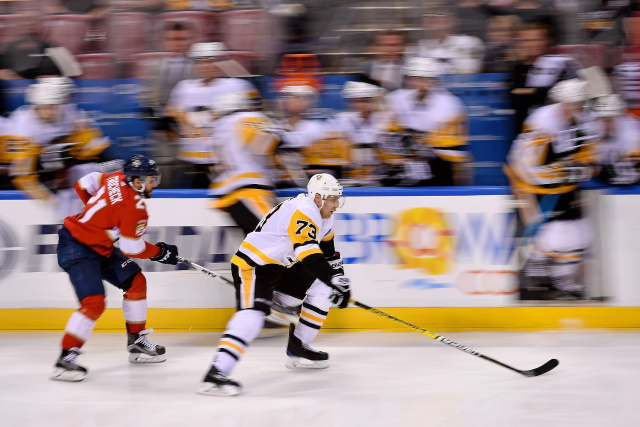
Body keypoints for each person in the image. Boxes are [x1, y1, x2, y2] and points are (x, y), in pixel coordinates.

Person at [197, 173, 351, 396]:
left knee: (323, 285)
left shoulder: (326, 215)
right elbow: (308, 253)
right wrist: (334, 279)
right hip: (253, 266)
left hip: (279, 266)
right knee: (252, 316)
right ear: (318, 197)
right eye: (333, 199)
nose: (337, 205)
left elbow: (328, 252)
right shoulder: (304, 210)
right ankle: (215, 374)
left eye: (338, 199)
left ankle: (298, 346)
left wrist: (340, 280)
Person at [51, 154, 181, 382]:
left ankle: (137, 343)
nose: (155, 185)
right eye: (151, 180)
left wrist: (97, 218)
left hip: (99, 246)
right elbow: (133, 248)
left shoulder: (116, 178)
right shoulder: (136, 208)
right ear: (137, 181)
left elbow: (83, 183)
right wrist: (160, 252)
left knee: (136, 282)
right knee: (93, 303)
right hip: (77, 247)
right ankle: (66, 358)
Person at [504, 79, 601, 300]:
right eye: (571, 103)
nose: (575, 108)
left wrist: (581, 170)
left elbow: (588, 157)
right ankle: (535, 279)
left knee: (577, 232)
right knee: (548, 237)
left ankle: (563, 281)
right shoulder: (542, 123)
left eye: (579, 103)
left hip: (560, 185)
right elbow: (523, 166)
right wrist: (560, 173)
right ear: (560, 102)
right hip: (530, 186)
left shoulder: (582, 120)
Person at [2, 77, 112, 221]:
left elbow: (95, 146)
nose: (49, 111)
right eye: (43, 107)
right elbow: (22, 176)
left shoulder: (70, 113)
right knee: (61, 157)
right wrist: (49, 202)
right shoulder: (23, 127)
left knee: (89, 165)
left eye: (54, 106)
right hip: (11, 165)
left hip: (48, 161)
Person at [165, 42, 259, 188]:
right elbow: (171, 120)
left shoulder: (237, 86)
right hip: (190, 160)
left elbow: (254, 117)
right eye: (200, 62)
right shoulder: (183, 88)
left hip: (225, 161)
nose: (206, 66)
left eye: (210, 61)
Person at [384, 57, 470, 186]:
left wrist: (419, 142)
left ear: (434, 80)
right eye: (415, 79)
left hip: (440, 165)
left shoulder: (450, 104)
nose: (420, 85)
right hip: (408, 163)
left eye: (425, 79)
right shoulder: (396, 98)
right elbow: (387, 134)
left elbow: (452, 147)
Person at [508, 22, 582, 135]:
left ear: (548, 41)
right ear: (519, 43)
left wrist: (531, 92)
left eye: (538, 39)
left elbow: (570, 94)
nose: (533, 44)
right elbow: (515, 98)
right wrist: (549, 92)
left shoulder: (563, 64)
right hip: (528, 135)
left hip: (561, 134)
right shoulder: (518, 70)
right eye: (527, 40)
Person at [325, 81, 388, 186]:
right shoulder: (339, 120)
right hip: (349, 177)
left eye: (365, 101)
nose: (361, 105)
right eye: (356, 101)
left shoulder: (384, 121)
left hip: (379, 177)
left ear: (374, 102)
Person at [592, 94, 640, 185]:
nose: (605, 124)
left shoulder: (633, 134)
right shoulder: (597, 131)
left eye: (609, 120)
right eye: (602, 119)